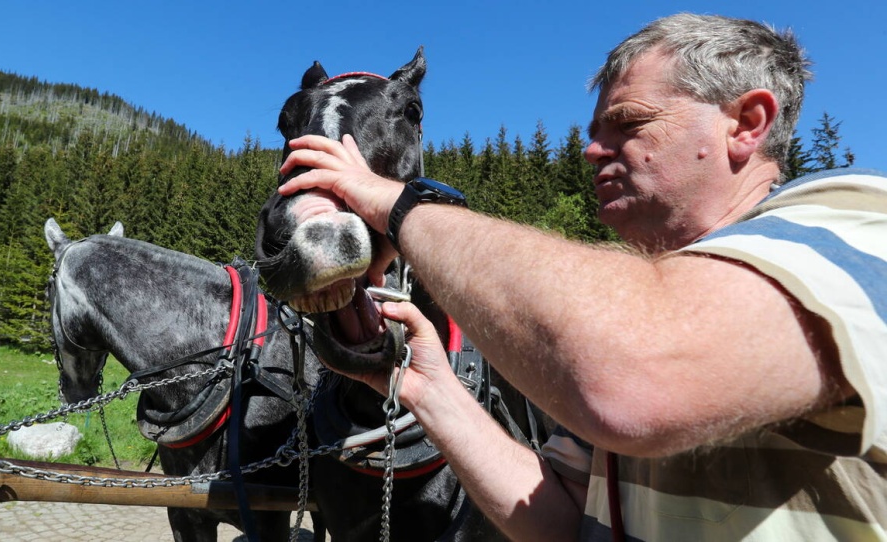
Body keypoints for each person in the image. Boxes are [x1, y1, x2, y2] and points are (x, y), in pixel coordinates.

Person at [278, 13, 887, 541]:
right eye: (594, 131)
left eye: (628, 122)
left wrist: (395, 204)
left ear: (746, 123)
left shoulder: (856, 225)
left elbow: (636, 381)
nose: (592, 150)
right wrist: (423, 388)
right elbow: (563, 522)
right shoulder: (665, 291)